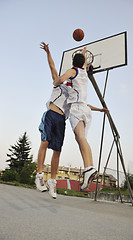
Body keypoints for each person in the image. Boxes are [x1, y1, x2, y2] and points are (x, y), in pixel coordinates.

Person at [54, 47, 108, 190]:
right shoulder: (83, 71)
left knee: (80, 138)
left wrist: (56, 82)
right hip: (86, 108)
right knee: (81, 138)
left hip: (77, 108)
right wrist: (84, 53)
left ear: (73, 62)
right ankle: (89, 168)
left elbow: (60, 79)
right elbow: (83, 63)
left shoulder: (73, 70)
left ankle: (89, 168)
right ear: (84, 62)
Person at [35, 42, 69, 199]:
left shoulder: (73, 94)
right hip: (51, 114)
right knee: (45, 143)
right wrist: (48, 52)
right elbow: (51, 65)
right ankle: (39, 176)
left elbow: (85, 105)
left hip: (61, 120)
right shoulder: (59, 82)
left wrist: (98, 109)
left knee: (58, 150)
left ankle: (52, 182)